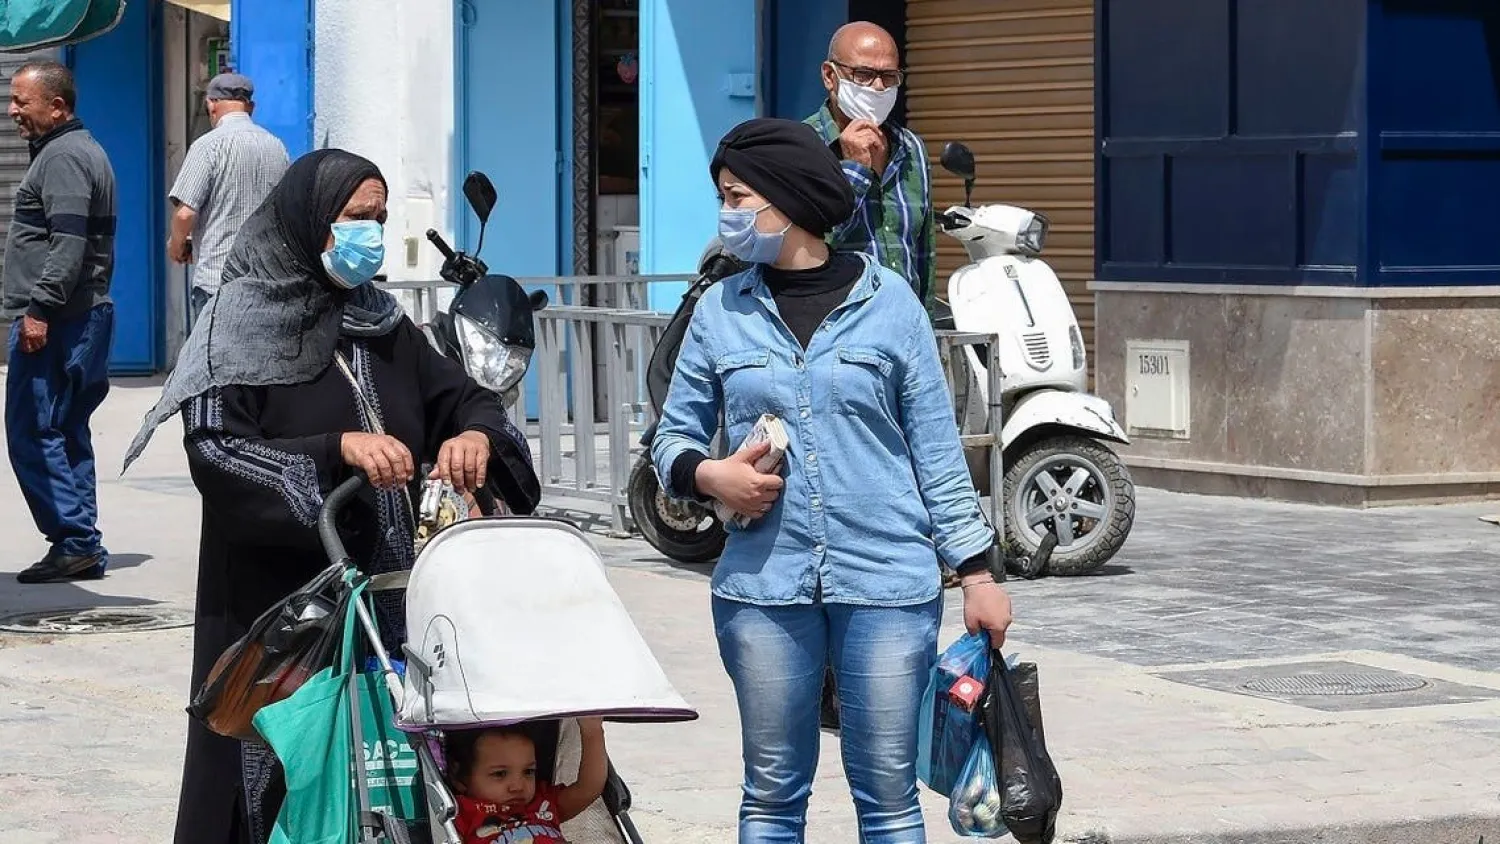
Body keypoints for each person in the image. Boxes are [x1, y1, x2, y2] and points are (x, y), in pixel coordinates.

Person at [121, 148, 541, 844]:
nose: (368, 234)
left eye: (377, 218)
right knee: (277, 777)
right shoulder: (236, 324)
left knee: (384, 779)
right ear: (307, 221)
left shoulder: (381, 321)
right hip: (282, 607)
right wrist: (336, 449)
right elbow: (216, 449)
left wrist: (475, 436)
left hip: (387, 606)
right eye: (354, 218)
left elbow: (464, 398)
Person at [650, 118, 1013, 843]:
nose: (728, 214)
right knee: (772, 794)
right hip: (763, 588)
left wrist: (976, 573)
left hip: (887, 581)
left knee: (886, 795)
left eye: (738, 195)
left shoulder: (892, 307)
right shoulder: (721, 311)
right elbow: (669, 440)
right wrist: (712, 476)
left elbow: (936, 451)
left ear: (785, 198)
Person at [3, 60, 117, 584]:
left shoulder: (66, 158)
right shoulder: (71, 151)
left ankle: (73, 539)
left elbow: (67, 246)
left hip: (60, 319)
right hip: (79, 315)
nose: (12, 111)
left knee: (33, 427)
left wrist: (39, 310)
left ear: (57, 106)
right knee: (67, 429)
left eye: (21, 102)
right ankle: (81, 542)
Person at [804, 21, 937, 316]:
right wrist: (853, 170)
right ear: (830, 75)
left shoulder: (910, 147)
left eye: (889, 77)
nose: (878, 87)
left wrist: (928, 330)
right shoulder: (802, 148)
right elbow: (808, 249)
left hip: (904, 330)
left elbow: (923, 256)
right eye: (863, 75)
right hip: (836, 333)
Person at [167, 72, 290, 325]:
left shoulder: (208, 146)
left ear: (210, 104)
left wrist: (177, 245)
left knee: (213, 361)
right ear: (251, 107)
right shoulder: (277, 146)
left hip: (218, 282)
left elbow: (185, 214)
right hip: (267, 280)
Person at [445, 719, 609, 843]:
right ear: (459, 778)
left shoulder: (544, 802)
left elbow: (589, 789)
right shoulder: (458, 813)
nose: (518, 786)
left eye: (528, 772)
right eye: (500, 774)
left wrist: (592, 731)